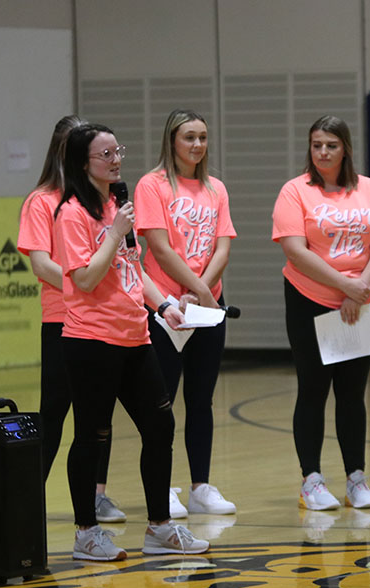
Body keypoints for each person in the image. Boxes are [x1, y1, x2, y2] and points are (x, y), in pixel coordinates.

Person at [54, 123, 208, 560]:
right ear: (84, 163)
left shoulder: (115, 206)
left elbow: (131, 271)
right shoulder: (72, 213)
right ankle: (86, 532)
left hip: (135, 335)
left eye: (117, 150)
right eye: (106, 154)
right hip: (91, 341)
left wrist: (163, 307)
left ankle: (159, 527)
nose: (116, 159)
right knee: (92, 436)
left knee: (160, 427)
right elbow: (84, 277)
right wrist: (114, 233)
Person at [271, 115, 370, 511]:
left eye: (331, 145)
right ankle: (311, 481)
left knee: (352, 394)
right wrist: (346, 286)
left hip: (359, 304)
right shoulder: (295, 191)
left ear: (346, 149)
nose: (323, 152)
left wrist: (360, 291)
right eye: (316, 145)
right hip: (310, 299)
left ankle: (356, 479)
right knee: (312, 389)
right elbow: (295, 249)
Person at [16, 115, 126, 524]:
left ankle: (97, 494)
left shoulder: (102, 200)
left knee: (98, 414)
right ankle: (28, 497)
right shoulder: (42, 201)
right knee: (55, 410)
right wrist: (82, 286)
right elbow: (41, 264)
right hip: (64, 319)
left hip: (106, 319)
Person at [134, 109, 237, 518]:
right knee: (162, 403)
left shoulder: (216, 189)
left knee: (201, 401)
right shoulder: (151, 185)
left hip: (206, 311)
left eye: (202, 138)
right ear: (171, 141)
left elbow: (223, 247)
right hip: (166, 310)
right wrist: (194, 291)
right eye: (188, 137)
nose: (197, 145)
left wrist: (204, 294)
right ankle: (166, 487)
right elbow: (158, 247)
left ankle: (201, 486)